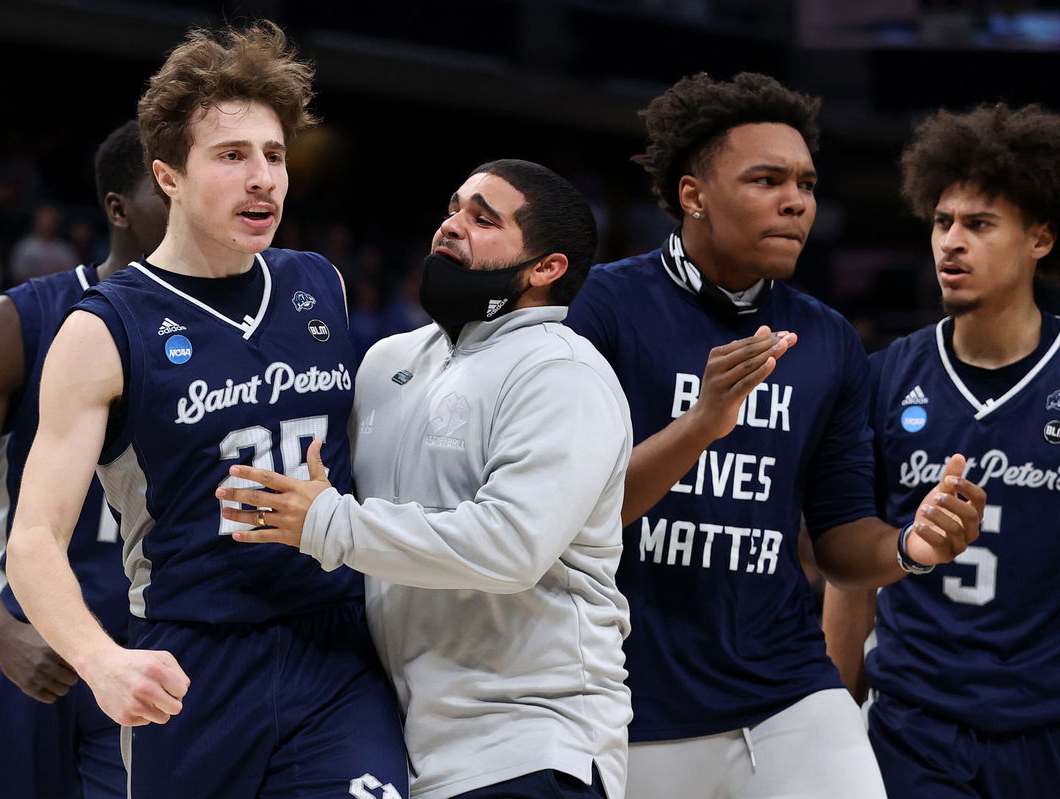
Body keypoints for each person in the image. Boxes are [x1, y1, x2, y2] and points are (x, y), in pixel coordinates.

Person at [4, 22, 407, 799]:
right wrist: (102, 658)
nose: (264, 178)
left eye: (275, 155)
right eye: (233, 156)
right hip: (195, 657)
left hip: (335, 646)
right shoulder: (101, 328)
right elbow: (32, 541)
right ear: (168, 177)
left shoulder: (317, 282)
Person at [562, 72, 987, 799]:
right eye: (767, 180)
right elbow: (569, 513)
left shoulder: (826, 340)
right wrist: (701, 424)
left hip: (789, 688)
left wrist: (912, 548)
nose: (798, 201)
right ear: (694, 195)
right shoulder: (602, 306)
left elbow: (840, 542)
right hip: (630, 698)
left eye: (807, 183)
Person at [219, 159, 633, 799]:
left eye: (482, 219)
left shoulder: (563, 373)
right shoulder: (389, 361)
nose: (450, 226)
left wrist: (329, 523)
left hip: (531, 741)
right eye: (454, 208)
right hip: (401, 739)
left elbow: (511, 546)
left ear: (545, 269)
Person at [0, 119, 166, 799]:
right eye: (167, 190)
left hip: (159, 660)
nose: (192, 207)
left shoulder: (234, 336)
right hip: (35, 655)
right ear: (118, 208)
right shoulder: (18, 322)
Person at [823, 103, 1060, 798]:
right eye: (941, 222)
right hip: (917, 726)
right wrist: (836, 716)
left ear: (1039, 238)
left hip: (1046, 729)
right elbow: (849, 568)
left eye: (979, 225)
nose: (951, 243)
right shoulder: (884, 377)